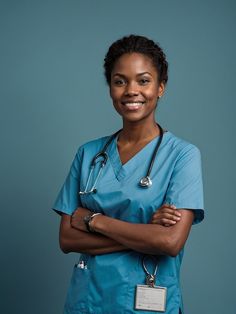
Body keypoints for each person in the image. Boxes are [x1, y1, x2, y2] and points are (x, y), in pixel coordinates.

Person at [52, 34, 204, 314]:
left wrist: (93, 220)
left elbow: (169, 242)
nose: (131, 90)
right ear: (110, 88)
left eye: (143, 80)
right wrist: (148, 232)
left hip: (147, 303)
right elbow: (67, 239)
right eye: (120, 81)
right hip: (88, 302)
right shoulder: (88, 154)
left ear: (161, 87)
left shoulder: (183, 155)